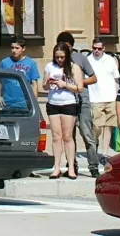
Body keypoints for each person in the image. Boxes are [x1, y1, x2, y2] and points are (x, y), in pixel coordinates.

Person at [56, 31, 100, 176]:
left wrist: (79, 81)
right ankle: (71, 165)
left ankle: (93, 165)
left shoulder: (80, 58)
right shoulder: (57, 60)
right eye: (63, 46)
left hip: (82, 100)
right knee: (69, 135)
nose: (66, 49)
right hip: (66, 101)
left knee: (87, 133)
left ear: (72, 46)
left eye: (68, 46)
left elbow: (93, 78)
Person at [42, 42, 83, 178]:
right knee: (56, 136)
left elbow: (79, 87)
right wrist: (48, 82)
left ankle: (71, 167)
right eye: (57, 57)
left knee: (67, 137)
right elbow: (44, 87)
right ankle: (56, 167)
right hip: (53, 103)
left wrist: (64, 84)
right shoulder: (49, 66)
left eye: (62, 57)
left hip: (68, 103)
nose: (59, 60)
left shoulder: (73, 67)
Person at [85, 38, 120, 159]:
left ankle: (104, 153)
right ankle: (95, 143)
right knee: (96, 126)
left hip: (111, 97)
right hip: (95, 98)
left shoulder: (110, 60)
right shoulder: (88, 60)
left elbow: (116, 79)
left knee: (109, 126)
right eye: (94, 48)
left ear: (103, 48)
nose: (96, 51)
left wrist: (118, 97)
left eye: (99, 48)